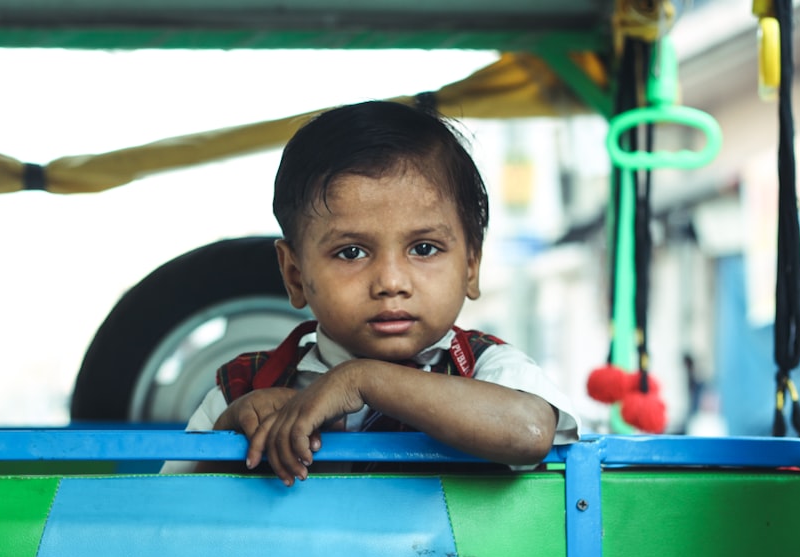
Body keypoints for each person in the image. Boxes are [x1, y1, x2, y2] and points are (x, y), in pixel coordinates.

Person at [162, 100, 579, 484]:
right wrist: (230, 440)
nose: (391, 282)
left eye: (424, 248)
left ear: (471, 265)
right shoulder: (246, 386)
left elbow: (530, 432)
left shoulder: (489, 369)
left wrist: (365, 381)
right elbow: (166, 521)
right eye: (352, 252)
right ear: (294, 274)